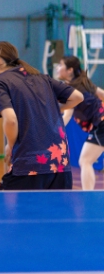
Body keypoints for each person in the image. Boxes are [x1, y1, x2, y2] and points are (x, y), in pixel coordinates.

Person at [0, 41, 83, 190]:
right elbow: (77, 97)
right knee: (56, 206)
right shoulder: (41, 77)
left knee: (2, 204)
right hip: (61, 164)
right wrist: (50, 109)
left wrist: (10, 145)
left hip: (29, 165)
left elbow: (11, 120)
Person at [56, 55, 104, 190]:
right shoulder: (84, 82)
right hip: (99, 125)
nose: (58, 68)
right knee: (86, 160)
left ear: (70, 70)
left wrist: (53, 130)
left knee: (85, 160)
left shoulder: (72, 89)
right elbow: (101, 93)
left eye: (60, 65)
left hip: (101, 125)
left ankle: (88, 196)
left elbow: (67, 115)